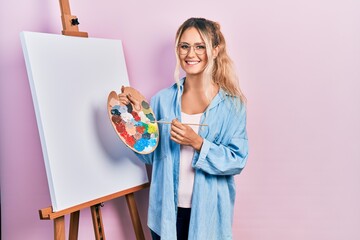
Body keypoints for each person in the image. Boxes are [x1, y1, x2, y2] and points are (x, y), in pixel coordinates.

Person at [120, 17, 248, 240]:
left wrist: (197, 142)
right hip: (166, 215)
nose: (191, 54)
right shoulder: (162, 100)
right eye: (184, 46)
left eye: (200, 46)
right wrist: (135, 117)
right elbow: (150, 157)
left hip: (209, 216)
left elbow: (237, 160)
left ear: (215, 50)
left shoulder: (232, 105)